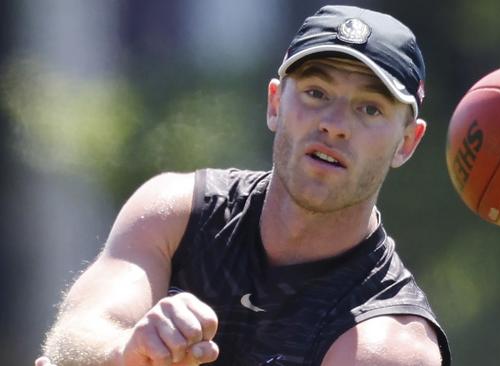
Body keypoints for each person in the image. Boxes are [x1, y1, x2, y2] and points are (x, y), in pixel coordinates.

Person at [36, 5, 451, 366]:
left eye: (369, 108)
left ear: (407, 142)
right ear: (275, 104)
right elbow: (76, 334)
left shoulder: (390, 342)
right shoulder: (178, 213)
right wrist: (125, 353)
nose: (334, 124)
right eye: (315, 91)